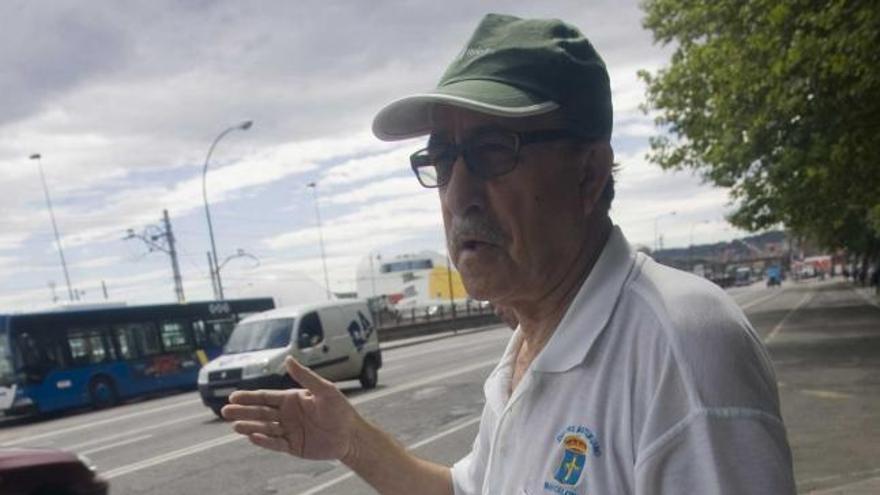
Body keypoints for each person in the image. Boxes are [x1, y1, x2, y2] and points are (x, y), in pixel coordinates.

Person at [222, 13, 796, 494]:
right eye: (444, 160)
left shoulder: (682, 348)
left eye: (493, 151)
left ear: (589, 174)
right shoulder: (527, 344)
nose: (458, 193)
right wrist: (351, 439)